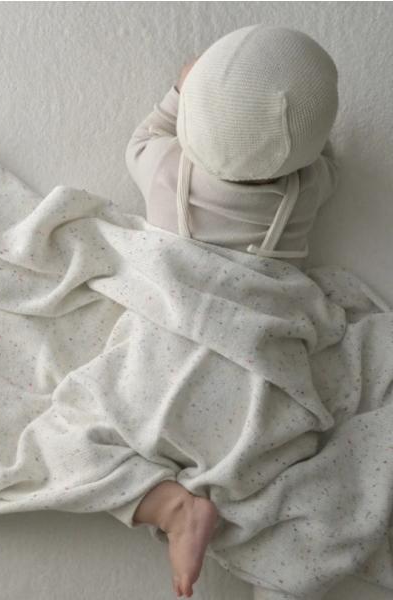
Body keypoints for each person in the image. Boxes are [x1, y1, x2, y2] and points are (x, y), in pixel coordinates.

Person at [123, 24, 341, 598]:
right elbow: (325, 155)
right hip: (260, 366)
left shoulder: (165, 170)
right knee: (275, 464)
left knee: (73, 438)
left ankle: (172, 506)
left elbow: (145, 134)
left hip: (169, 354)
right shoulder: (308, 189)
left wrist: (179, 90)